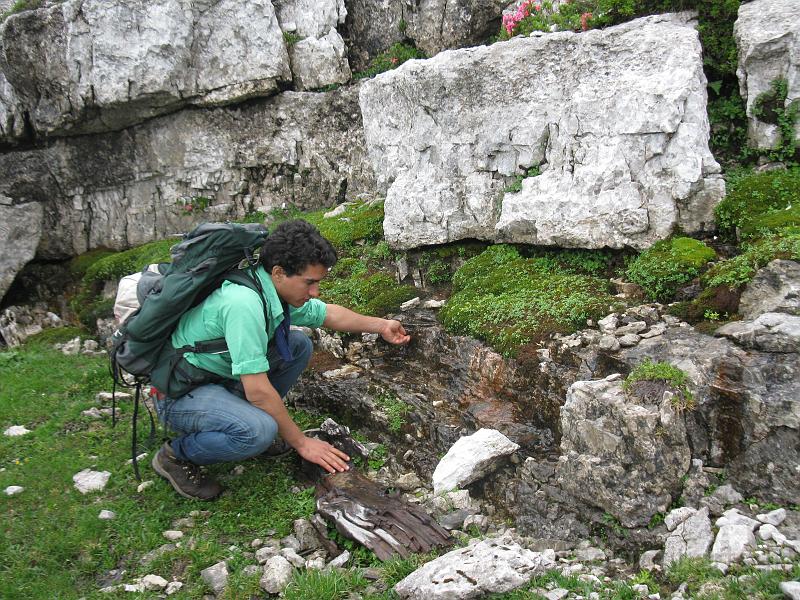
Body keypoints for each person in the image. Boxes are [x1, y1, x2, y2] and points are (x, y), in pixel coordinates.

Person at [151, 219, 410, 500]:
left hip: (214, 378)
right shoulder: (244, 304)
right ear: (278, 272)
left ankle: (242, 421)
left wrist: (382, 325)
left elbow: (328, 314)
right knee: (260, 431)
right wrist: (300, 442)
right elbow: (258, 391)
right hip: (179, 395)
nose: (315, 292)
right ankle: (176, 456)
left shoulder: (268, 289)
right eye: (309, 283)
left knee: (297, 344)